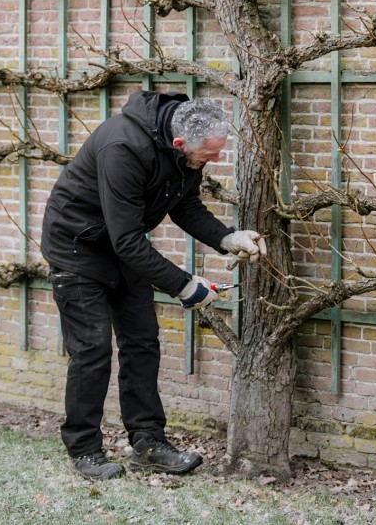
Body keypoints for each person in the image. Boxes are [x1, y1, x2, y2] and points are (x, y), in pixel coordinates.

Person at [41, 90, 266, 480]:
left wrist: (227, 238)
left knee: (142, 343)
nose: (215, 160)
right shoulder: (122, 147)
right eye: (209, 155)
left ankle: (148, 443)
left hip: (121, 246)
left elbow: (185, 205)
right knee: (92, 349)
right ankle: (85, 449)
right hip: (77, 247)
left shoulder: (182, 147)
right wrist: (185, 285)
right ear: (179, 143)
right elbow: (126, 239)